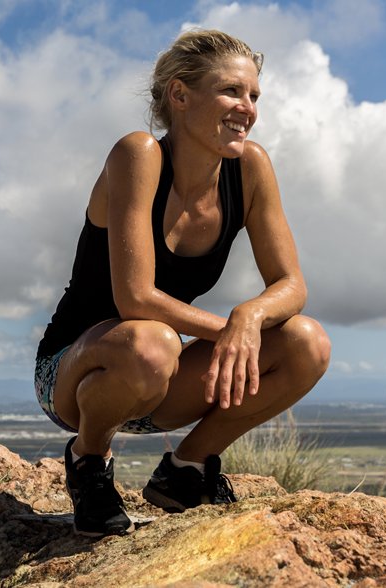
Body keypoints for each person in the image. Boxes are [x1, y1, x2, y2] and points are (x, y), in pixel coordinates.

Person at [34, 29, 331, 537]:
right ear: (179, 95)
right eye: (231, 91)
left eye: (254, 95)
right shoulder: (139, 154)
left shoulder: (250, 168)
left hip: (161, 379)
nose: (247, 108)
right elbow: (136, 299)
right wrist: (228, 331)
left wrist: (249, 317)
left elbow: (290, 283)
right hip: (76, 374)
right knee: (151, 340)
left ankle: (186, 468)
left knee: (308, 342)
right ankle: (89, 460)